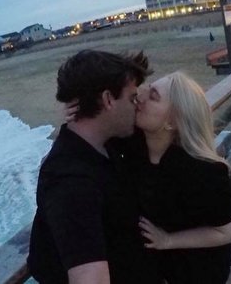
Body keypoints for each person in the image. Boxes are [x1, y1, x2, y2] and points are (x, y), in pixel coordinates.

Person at [27, 49, 153, 284]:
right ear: (107, 100)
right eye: (132, 98)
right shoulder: (70, 182)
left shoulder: (108, 141)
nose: (137, 105)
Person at [112, 71, 231, 284]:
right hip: (160, 265)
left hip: (200, 268)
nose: (140, 96)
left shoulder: (202, 171)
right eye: (148, 88)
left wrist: (169, 240)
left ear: (172, 122)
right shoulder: (133, 145)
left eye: (153, 96)